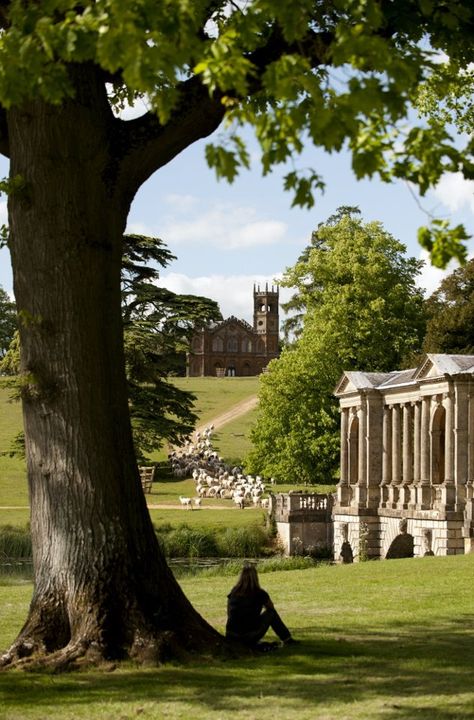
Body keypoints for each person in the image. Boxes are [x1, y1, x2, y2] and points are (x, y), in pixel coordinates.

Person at [225, 562, 298, 647]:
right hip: (248, 635)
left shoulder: (234, 592)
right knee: (271, 613)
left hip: (231, 635)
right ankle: (287, 639)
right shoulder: (259, 593)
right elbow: (271, 608)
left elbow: (229, 612)